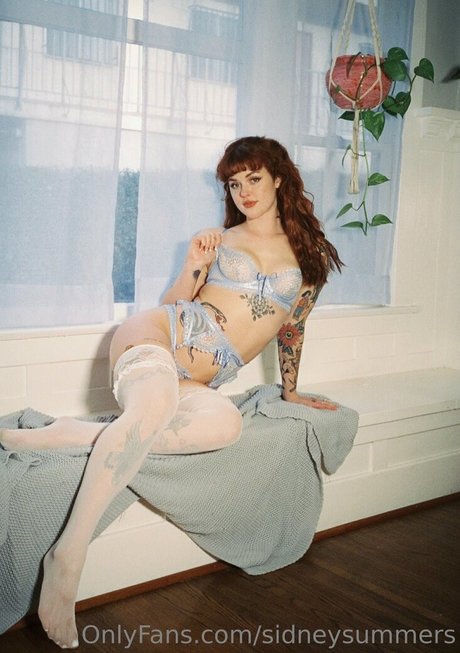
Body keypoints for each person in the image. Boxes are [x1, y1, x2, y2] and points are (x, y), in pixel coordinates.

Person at [1, 136, 343, 648]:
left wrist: (290, 393)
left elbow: (292, 329)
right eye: (234, 183)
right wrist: (192, 263)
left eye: (253, 178)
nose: (245, 192)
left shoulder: (308, 257)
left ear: (278, 178)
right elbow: (175, 302)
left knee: (225, 426)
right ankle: (67, 557)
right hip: (155, 338)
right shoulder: (219, 239)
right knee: (154, 408)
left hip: (197, 381)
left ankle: (71, 433)